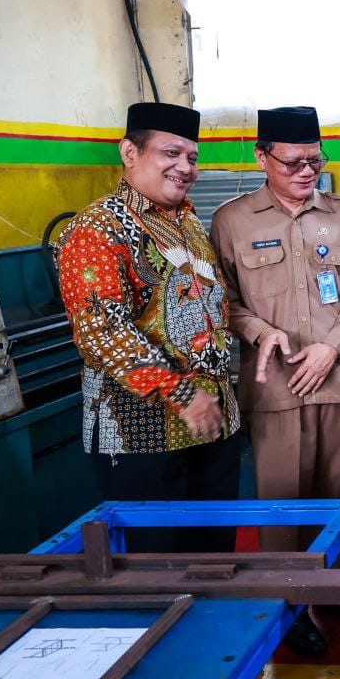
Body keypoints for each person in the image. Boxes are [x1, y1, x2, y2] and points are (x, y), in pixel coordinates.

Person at [210, 106, 340, 655]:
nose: (308, 172)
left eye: (315, 160)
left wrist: (331, 349)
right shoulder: (232, 221)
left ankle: (337, 592)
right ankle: (290, 605)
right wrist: (261, 331)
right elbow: (226, 301)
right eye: (293, 163)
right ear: (263, 157)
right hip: (276, 386)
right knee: (282, 503)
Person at [57, 101, 239, 554]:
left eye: (192, 158)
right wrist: (179, 392)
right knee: (156, 564)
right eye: (170, 154)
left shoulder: (190, 224)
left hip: (212, 423)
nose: (185, 168)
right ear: (129, 153)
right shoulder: (97, 229)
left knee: (214, 557)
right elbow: (101, 332)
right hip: (139, 432)